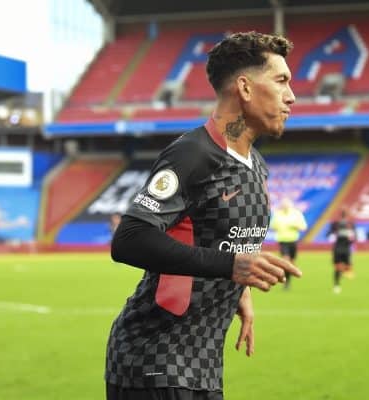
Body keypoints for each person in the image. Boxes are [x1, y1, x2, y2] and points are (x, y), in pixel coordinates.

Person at [107, 31, 300, 400]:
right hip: (153, 363)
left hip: (203, 368)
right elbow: (130, 238)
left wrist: (237, 289)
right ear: (244, 88)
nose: (291, 96)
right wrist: (231, 267)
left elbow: (212, 237)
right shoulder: (194, 154)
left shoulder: (256, 167)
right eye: (281, 81)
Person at [271, 197, 307, 290]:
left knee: (291, 262)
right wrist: (279, 227)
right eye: (283, 205)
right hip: (283, 241)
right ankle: (286, 282)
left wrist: (295, 226)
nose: (284, 207)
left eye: (286, 205)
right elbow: (272, 226)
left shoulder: (296, 214)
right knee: (285, 260)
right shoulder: (278, 214)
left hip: (293, 240)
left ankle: (288, 281)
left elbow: (303, 226)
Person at [327, 209, 356, 294]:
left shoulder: (335, 225)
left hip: (337, 249)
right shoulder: (350, 225)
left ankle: (336, 285)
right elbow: (353, 239)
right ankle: (345, 271)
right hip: (346, 249)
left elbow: (329, 236)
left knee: (337, 268)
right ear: (347, 215)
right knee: (347, 267)